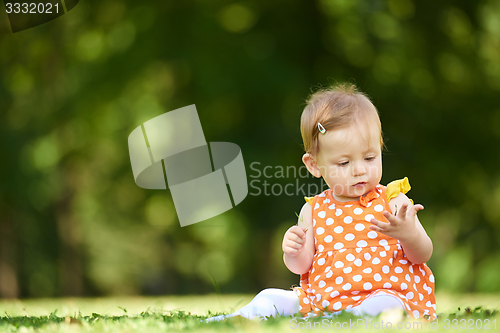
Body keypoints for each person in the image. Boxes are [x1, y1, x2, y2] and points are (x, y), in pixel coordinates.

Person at [207, 83, 436, 322]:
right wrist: (293, 251)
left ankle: (343, 319)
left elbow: (422, 254)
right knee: (270, 297)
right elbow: (301, 266)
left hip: (385, 293)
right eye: (344, 163)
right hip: (323, 299)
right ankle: (236, 318)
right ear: (314, 165)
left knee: (384, 305)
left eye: (369, 157)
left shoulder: (392, 200)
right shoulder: (314, 210)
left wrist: (409, 235)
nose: (359, 170)